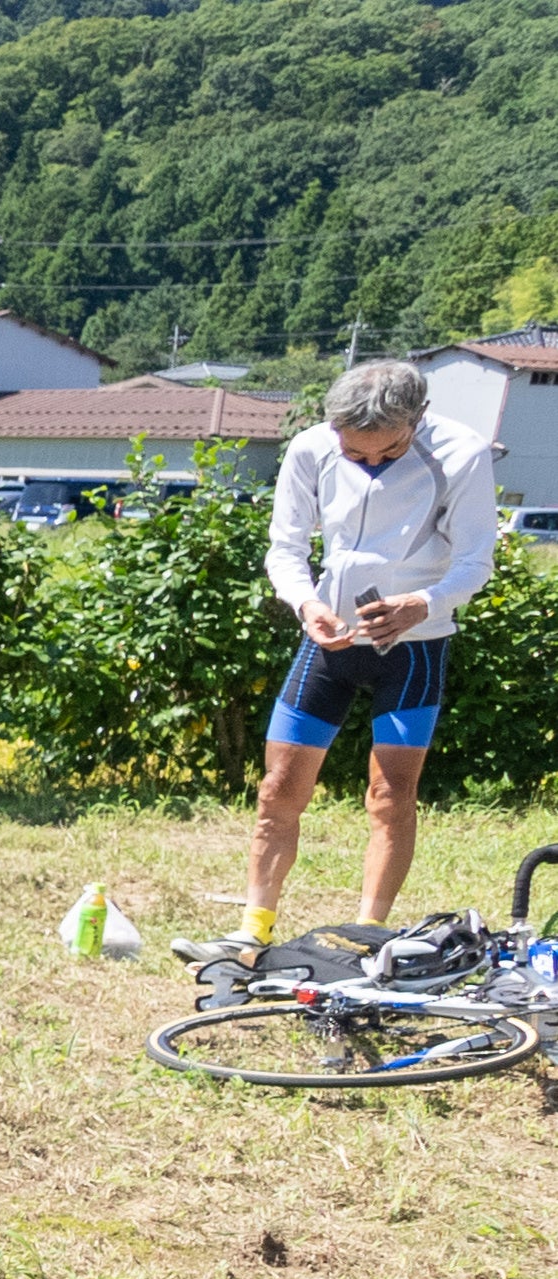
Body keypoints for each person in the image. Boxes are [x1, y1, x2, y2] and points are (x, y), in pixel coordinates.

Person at [228, 358, 499, 949]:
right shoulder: (310, 448)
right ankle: (253, 928)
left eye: (388, 453)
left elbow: (478, 560)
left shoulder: (462, 452)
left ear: (418, 420)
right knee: (277, 789)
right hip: (330, 640)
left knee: (390, 795)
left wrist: (423, 603)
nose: (372, 465)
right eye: (357, 455)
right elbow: (285, 547)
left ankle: (369, 934)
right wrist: (305, 604)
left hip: (414, 645)